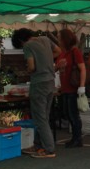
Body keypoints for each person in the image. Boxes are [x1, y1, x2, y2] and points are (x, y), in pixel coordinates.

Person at [12, 29, 61, 159]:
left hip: (39, 83)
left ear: (21, 41)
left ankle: (49, 149)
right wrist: (46, 59)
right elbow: (58, 51)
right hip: (51, 82)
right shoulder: (45, 39)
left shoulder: (28, 46)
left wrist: (28, 69)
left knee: (40, 118)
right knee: (44, 116)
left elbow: (32, 66)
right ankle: (39, 145)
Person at [55, 29, 86, 148]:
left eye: (59, 38)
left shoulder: (74, 51)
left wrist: (82, 86)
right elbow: (56, 68)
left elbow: (82, 69)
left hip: (73, 88)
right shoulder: (63, 53)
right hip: (64, 88)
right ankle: (76, 137)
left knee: (73, 114)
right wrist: (57, 66)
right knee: (68, 113)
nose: (58, 40)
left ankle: (77, 138)